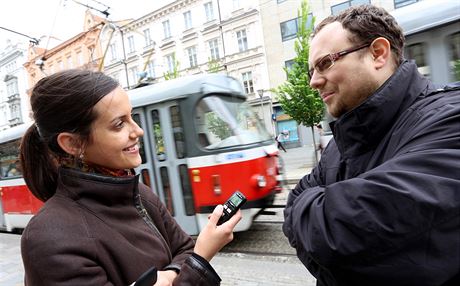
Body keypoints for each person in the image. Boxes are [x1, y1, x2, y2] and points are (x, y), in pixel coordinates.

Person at [283, 5, 459, 286]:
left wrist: (323, 240)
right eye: (311, 71)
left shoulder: (449, 121)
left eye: (325, 63)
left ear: (378, 53)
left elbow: (344, 234)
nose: (314, 82)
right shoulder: (340, 143)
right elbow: (294, 204)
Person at [20, 69, 242, 286]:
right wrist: (200, 260)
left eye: (131, 117)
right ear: (73, 143)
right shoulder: (47, 239)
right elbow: (190, 254)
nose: (137, 131)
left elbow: (183, 249)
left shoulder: (139, 193)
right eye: (119, 124)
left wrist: (171, 275)